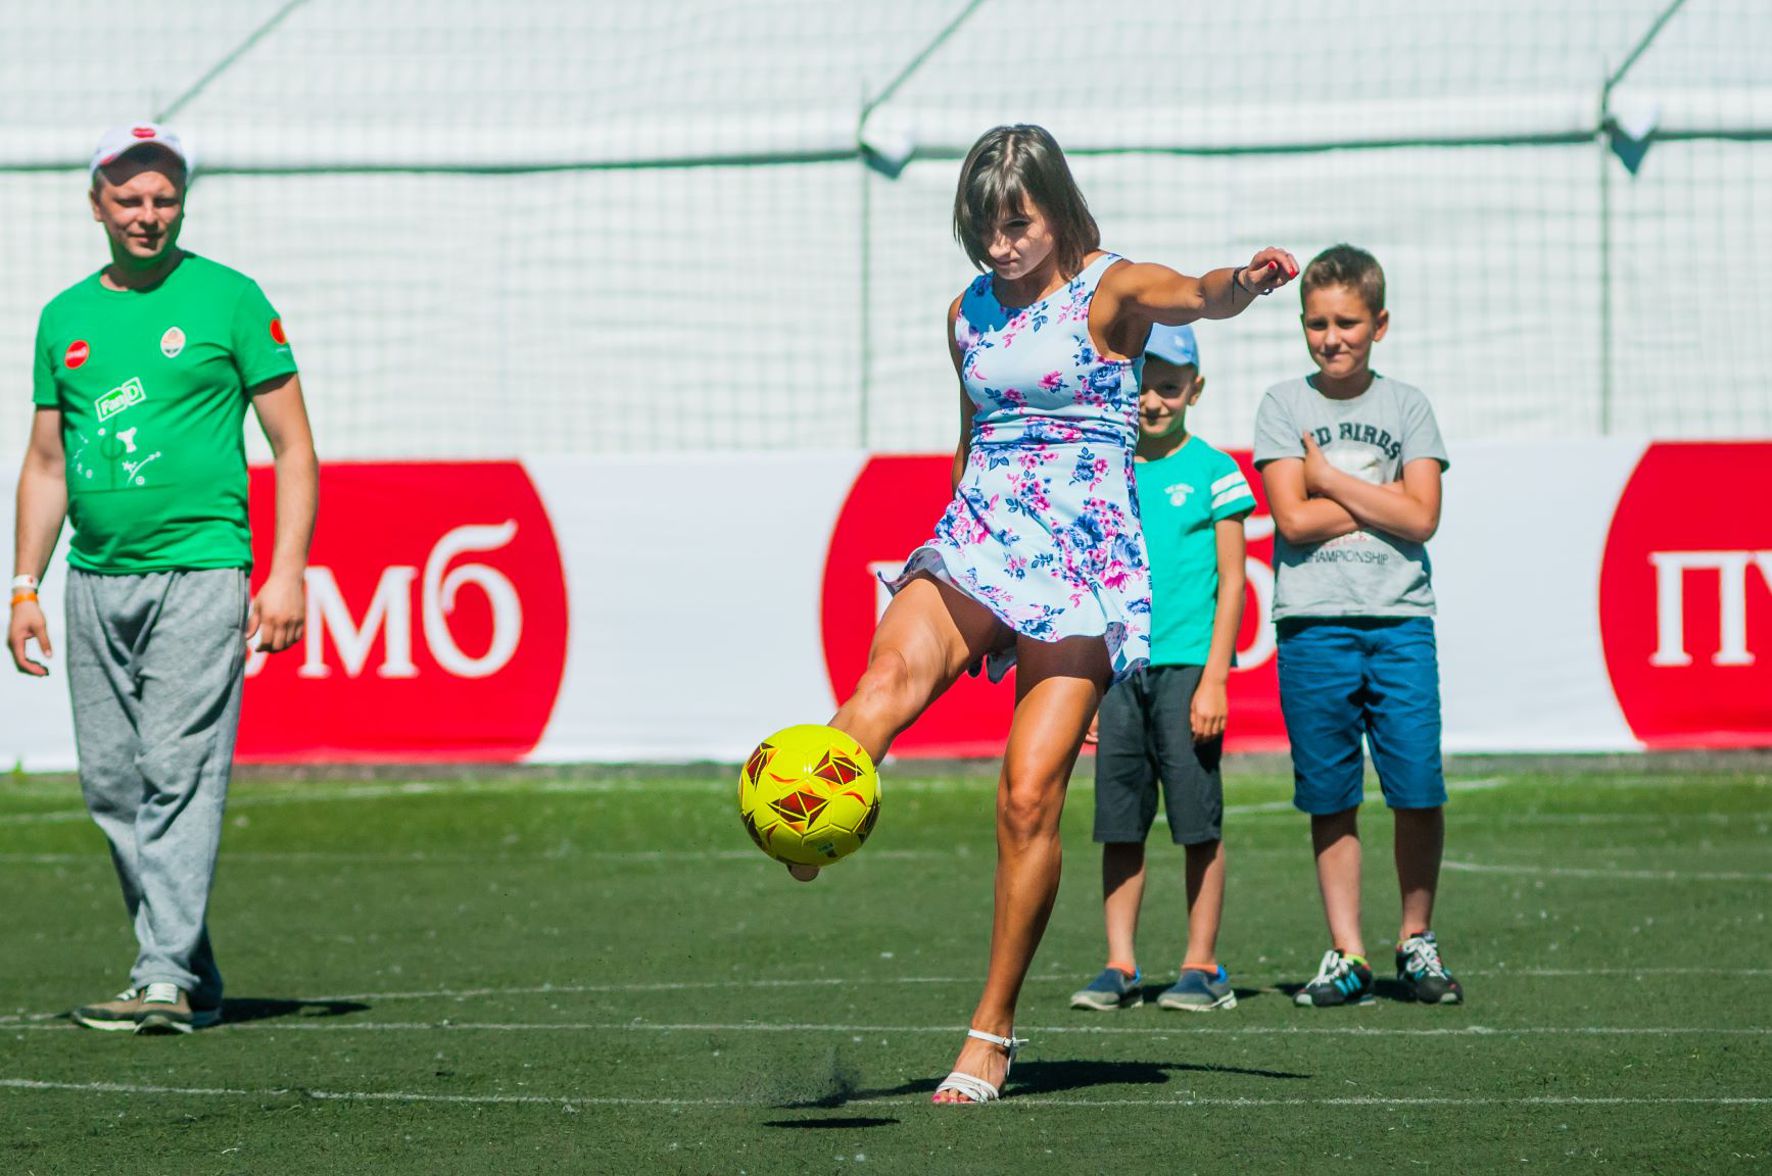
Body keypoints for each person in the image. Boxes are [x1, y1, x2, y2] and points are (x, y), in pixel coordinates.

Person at [804, 124, 1295, 1102]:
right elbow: (969, 435)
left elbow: (1196, 294)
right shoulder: (965, 314)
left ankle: (990, 1033)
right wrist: (952, 566)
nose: (999, 247)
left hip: (1082, 557)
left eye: (1015, 224)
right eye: (982, 229)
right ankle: (805, 818)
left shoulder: (1109, 289)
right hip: (979, 531)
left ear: (1054, 210)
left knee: (1027, 796)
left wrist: (1243, 279)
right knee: (882, 685)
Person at [8, 123, 318, 1034]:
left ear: (182, 202)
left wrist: (286, 572)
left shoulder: (230, 299)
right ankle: (192, 972)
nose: (149, 215)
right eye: (131, 197)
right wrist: (24, 585)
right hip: (92, 580)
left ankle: (161, 978)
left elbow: (293, 448)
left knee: (178, 772)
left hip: (202, 571)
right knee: (112, 786)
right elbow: (44, 463)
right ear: (97, 201)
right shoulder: (64, 317)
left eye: (164, 198)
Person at [1250, 243, 1462, 1008]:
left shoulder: (1408, 407)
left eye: (1346, 322)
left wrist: (1333, 477)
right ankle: (1347, 951)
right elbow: (1292, 520)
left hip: (1400, 622)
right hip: (1313, 625)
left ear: (1380, 323)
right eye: (1316, 323)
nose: (1330, 337)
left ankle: (1416, 940)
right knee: (1331, 794)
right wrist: (1385, 498)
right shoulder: (1282, 404)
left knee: (1417, 787)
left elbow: (1424, 515)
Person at [1069, 323, 1252, 1015]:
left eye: (1169, 386)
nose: (1152, 399)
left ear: (1194, 390)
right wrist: (1088, 687)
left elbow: (1233, 583)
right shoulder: (1104, 471)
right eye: (1143, 383)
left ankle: (1202, 966)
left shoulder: (1214, 470)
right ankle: (1119, 964)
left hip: (1185, 672)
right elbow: (1090, 580)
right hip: (1119, 672)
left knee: (1197, 824)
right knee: (1119, 824)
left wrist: (1215, 679)